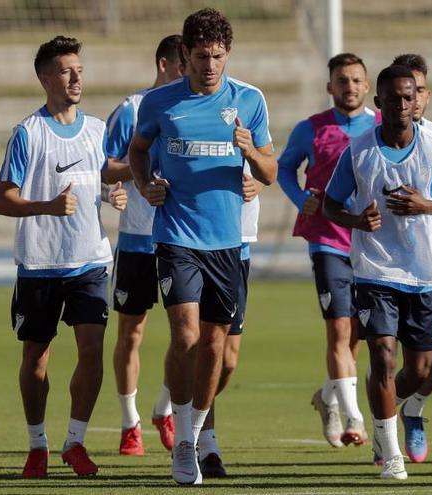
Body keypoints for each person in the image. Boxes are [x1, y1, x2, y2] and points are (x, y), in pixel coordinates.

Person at [128, 7, 277, 485]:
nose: (209, 66)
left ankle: (192, 433)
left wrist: (250, 151)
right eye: (199, 57)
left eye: (217, 57)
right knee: (186, 336)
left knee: (216, 344)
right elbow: (137, 150)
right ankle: (186, 443)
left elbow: (271, 173)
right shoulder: (160, 104)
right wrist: (146, 180)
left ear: (227, 54)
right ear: (184, 56)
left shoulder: (249, 101)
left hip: (227, 244)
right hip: (176, 237)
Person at [323, 64, 432, 480]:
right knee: (382, 354)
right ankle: (389, 453)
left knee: (420, 368)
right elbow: (331, 203)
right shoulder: (359, 151)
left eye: (409, 97)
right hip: (374, 270)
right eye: (395, 98)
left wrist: (428, 206)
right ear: (378, 102)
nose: (403, 105)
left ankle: (393, 408)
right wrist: (355, 221)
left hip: (423, 273)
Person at [0, 35, 126, 479]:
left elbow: (102, 175)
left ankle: (76, 441)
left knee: (92, 348)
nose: (76, 78)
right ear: (45, 77)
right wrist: (46, 206)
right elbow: (4, 200)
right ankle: (37, 445)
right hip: (40, 263)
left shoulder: (96, 129)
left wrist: (115, 191)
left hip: (90, 261)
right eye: (67, 70)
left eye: (80, 70)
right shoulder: (27, 134)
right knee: (36, 358)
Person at [277, 52, 377, 449]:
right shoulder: (311, 129)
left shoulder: (382, 127)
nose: (349, 87)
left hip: (371, 245)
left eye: (355, 80)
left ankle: (327, 396)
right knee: (338, 330)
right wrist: (299, 197)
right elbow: (285, 168)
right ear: (329, 86)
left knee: (355, 337)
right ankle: (353, 417)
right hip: (327, 240)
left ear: (367, 86)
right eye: (341, 80)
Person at [103, 34, 184, 456]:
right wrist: (138, 174)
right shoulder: (133, 108)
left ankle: (164, 409)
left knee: (183, 331)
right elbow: (107, 163)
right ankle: (129, 421)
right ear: (165, 64)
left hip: (181, 238)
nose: (190, 73)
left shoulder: (192, 107)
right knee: (131, 332)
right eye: (183, 64)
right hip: (137, 238)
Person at [390, 53, 432, 465]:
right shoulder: (375, 140)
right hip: (385, 267)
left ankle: (410, 410)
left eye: (419, 91)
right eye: (404, 92)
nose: (411, 100)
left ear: (425, 95)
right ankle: (381, 420)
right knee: (384, 353)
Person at [197, 167, 262, 478]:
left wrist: (259, 181)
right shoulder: (194, 118)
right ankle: (206, 444)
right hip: (197, 242)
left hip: (239, 247)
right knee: (206, 345)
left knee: (228, 360)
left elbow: (271, 169)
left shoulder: (252, 119)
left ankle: (185, 398)